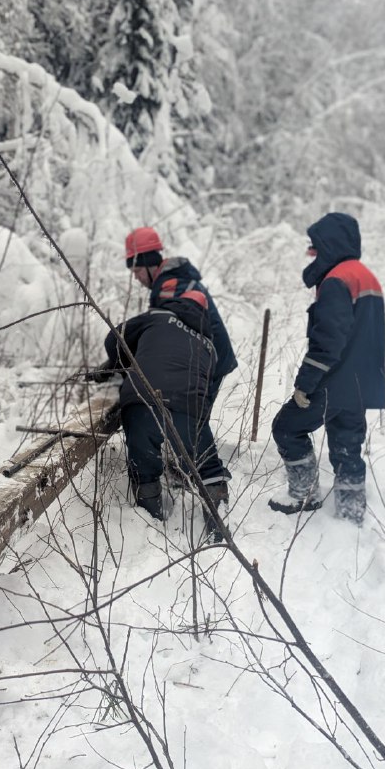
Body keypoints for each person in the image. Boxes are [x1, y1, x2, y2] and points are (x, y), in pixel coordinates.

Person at [268, 212, 385, 526]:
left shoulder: (337, 280)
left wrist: (305, 383)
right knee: (347, 446)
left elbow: (328, 340)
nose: (313, 253)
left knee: (286, 427)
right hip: (361, 383)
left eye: (316, 247)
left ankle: (303, 494)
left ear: (330, 244)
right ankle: (351, 512)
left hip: (334, 380)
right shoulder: (366, 277)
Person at [103, 289, 230, 539]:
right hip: (189, 406)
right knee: (207, 465)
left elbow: (113, 338)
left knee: (143, 461)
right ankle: (219, 530)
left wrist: (122, 365)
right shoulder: (210, 343)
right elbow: (209, 385)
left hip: (141, 398)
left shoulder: (158, 316)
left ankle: (151, 524)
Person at [124, 227, 238, 399]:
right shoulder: (174, 280)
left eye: (137, 271)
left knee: (189, 413)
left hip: (207, 363)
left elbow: (164, 333)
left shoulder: (171, 287)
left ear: (149, 263)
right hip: (210, 358)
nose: (136, 278)